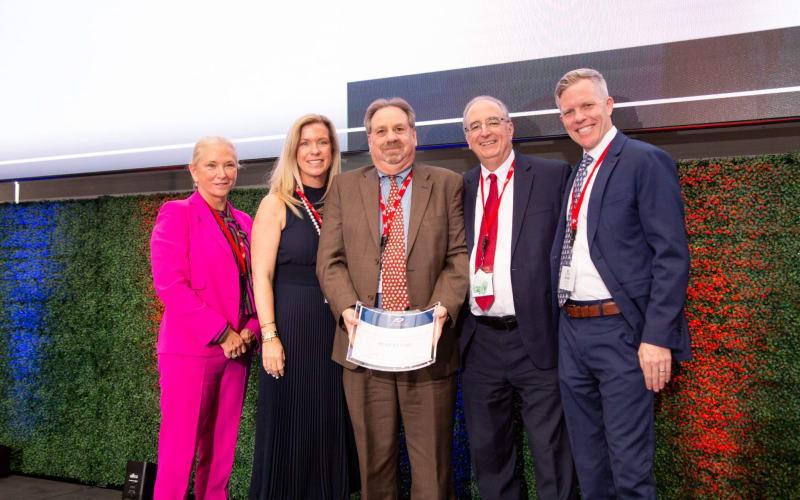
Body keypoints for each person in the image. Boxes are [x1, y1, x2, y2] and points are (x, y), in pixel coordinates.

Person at [316, 97, 469, 499]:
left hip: (428, 344)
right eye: (381, 131)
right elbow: (330, 261)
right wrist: (347, 309)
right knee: (374, 465)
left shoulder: (447, 183)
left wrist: (442, 310)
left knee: (432, 466)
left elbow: (458, 257)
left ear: (414, 135)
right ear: (369, 140)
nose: (391, 139)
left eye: (399, 129)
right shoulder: (345, 187)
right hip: (363, 342)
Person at [551, 68, 691, 498]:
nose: (579, 117)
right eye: (568, 112)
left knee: (629, 469)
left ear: (609, 106)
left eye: (587, 105)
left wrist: (657, 337)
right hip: (572, 331)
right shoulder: (579, 170)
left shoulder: (644, 160)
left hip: (623, 333)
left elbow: (671, 256)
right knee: (590, 464)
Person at [459, 96, 577, 499]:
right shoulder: (459, 188)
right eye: (475, 126)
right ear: (467, 138)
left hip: (537, 338)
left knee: (551, 453)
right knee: (490, 456)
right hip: (479, 342)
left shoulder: (551, 176)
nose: (485, 132)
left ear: (510, 128)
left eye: (493, 122)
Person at [248, 114, 357, 499]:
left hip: (336, 334)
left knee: (329, 427)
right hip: (291, 333)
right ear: (294, 151)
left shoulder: (343, 202)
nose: (315, 151)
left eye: (322, 142)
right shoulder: (276, 204)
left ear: (333, 150)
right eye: (306, 143)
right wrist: (270, 336)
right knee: (290, 431)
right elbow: (260, 276)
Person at [150, 136, 259, 500]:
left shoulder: (245, 222)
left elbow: (258, 283)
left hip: (237, 351)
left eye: (229, 165)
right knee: (179, 454)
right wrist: (221, 332)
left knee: (221, 452)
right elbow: (170, 285)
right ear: (194, 171)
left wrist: (250, 330)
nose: (222, 173)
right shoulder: (176, 213)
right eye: (211, 165)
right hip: (192, 349)